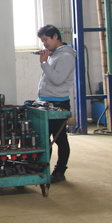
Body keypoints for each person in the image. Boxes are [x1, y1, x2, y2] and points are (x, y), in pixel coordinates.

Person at [37, 24, 76, 184]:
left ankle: (60, 171)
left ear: (55, 36)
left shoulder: (66, 56)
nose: (44, 44)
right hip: (47, 102)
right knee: (44, 139)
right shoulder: (54, 55)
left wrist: (44, 63)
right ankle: (42, 168)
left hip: (58, 104)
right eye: (42, 41)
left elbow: (58, 79)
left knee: (59, 139)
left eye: (46, 39)